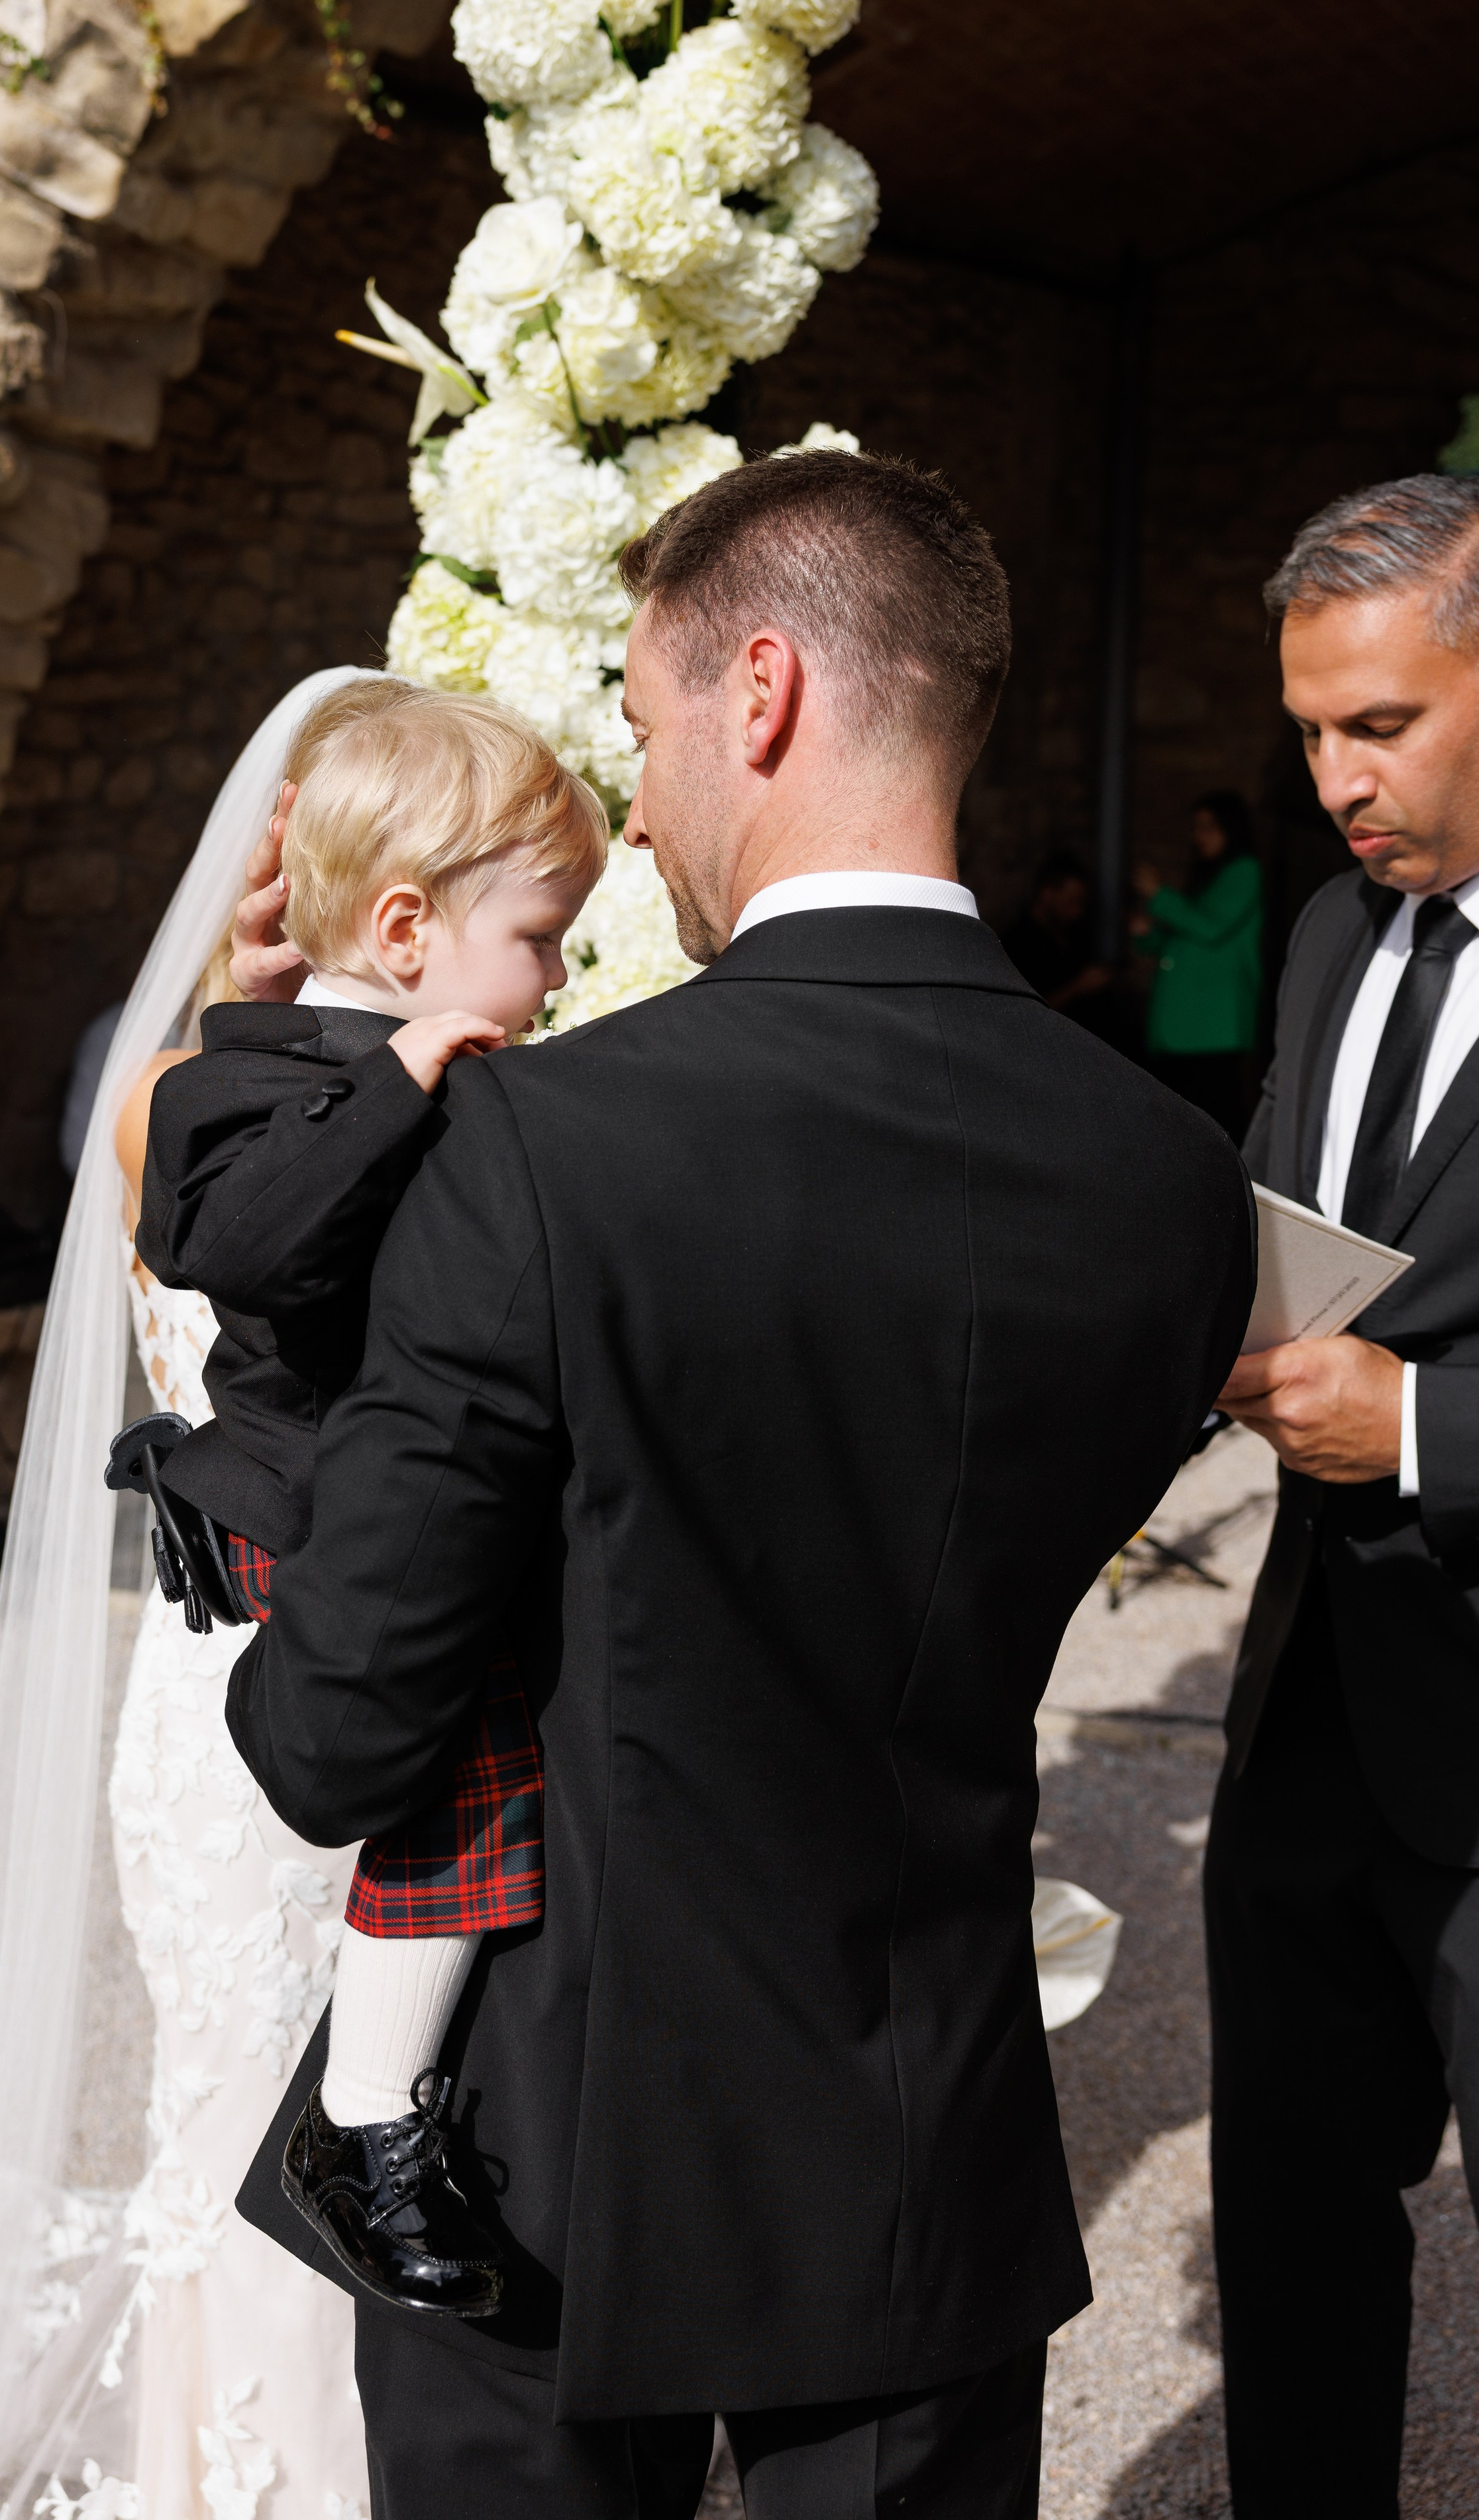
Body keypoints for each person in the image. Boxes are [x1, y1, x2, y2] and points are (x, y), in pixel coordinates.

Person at [226, 450, 1256, 2517]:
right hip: (924, 2115)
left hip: (544, 2143)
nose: (637, 811)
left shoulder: (543, 1148)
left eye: (638, 717)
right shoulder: (1169, 1180)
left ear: (758, 692)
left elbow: (334, 1733)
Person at [0, 668, 391, 2520]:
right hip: (281, 1690)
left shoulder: (172, 1076)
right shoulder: (360, 1122)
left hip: (193, 1669)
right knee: (277, 2115)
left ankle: (209, 2465)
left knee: (226, 2114)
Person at [136, 678, 606, 2317]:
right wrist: (399, 1078)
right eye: (541, 939)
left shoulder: (460, 1074)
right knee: (465, 1793)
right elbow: (242, 1246)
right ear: (404, 927)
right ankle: (362, 2121)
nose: (551, 985)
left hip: (372, 1520)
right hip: (337, 1534)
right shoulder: (243, 1080)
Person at [1205, 471, 1479, 2519]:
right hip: (1307, 1705)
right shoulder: (1321, 937)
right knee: (1293, 2231)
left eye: (1375, 724)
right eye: (1308, 730)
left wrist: (1417, 1432)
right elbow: (1306, 1230)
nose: (1330, 778)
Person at [1133, 789, 1264, 1141]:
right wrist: (1146, 931)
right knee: (1182, 1129)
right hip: (1185, 1028)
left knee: (1217, 1126)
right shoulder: (1206, 878)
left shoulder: (1245, 872)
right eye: (1197, 827)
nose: (1200, 836)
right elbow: (1181, 935)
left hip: (1213, 1028)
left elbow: (1210, 927)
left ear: (1230, 829)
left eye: (1210, 826)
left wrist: (1159, 894)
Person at [1001, 849, 1113, 1019]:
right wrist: (1079, 987)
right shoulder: (1017, 943)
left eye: (1081, 904)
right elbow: (1022, 1013)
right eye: (1070, 902)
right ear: (1047, 894)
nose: (1077, 912)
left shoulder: (1075, 936)